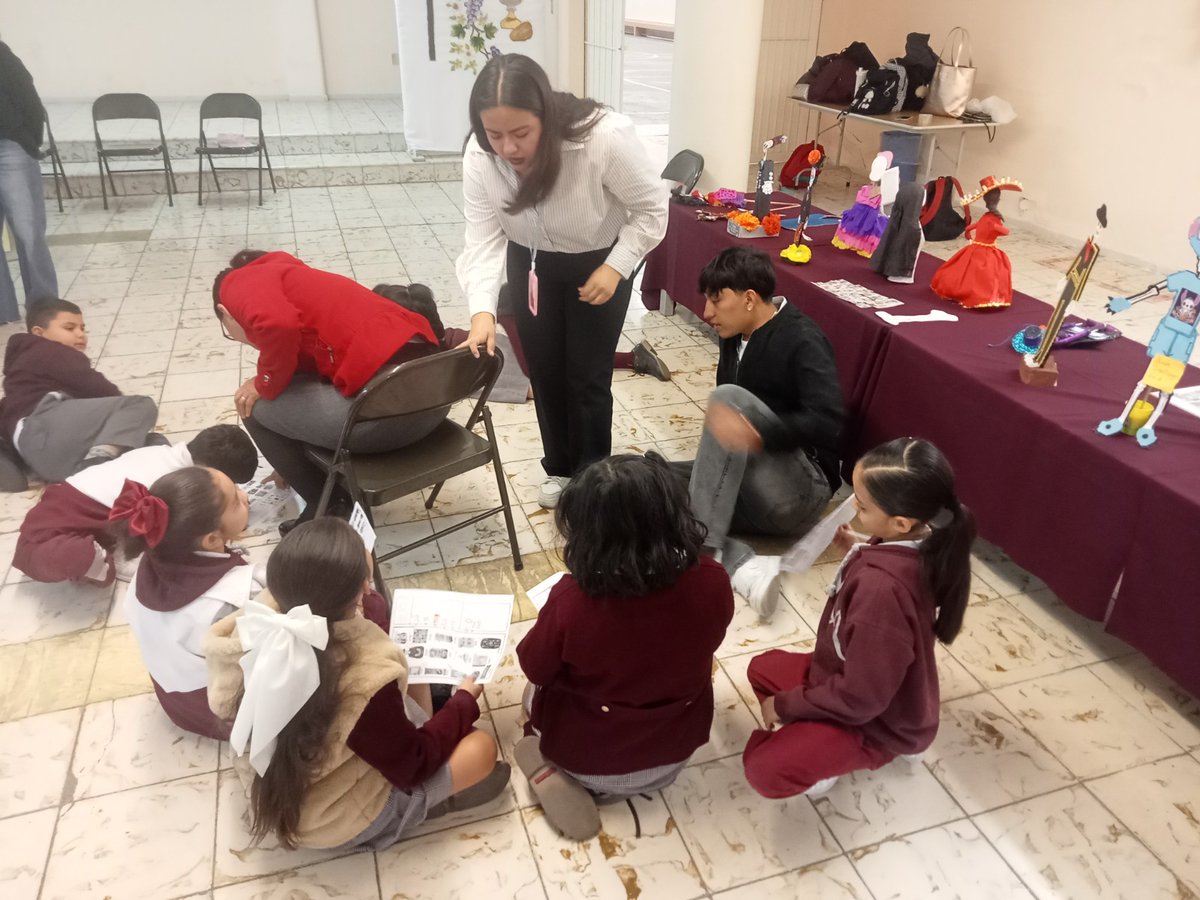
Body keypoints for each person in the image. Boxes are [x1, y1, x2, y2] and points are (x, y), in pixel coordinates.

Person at [206, 518, 510, 851]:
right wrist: (463, 702)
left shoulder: (260, 619)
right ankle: (412, 812)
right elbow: (413, 764)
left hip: (276, 786)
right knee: (481, 749)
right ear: (363, 591)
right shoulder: (362, 679)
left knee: (420, 702)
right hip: (334, 817)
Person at [456, 53, 669, 509]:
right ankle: (558, 468)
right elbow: (482, 238)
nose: (508, 149)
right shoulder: (480, 155)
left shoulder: (603, 138)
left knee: (587, 377)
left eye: (520, 134)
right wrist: (481, 312)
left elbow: (652, 210)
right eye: (495, 135)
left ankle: (595, 480)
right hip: (530, 262)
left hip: (599, 262)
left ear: (544, 116)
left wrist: (617, 266)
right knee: (546, 372)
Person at [741, 438, 975, 799]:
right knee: (763, 667)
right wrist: (858, 548)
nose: (853, 513)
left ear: (900, 522)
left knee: (765, 769)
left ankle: (859, 755)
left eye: (862, 507)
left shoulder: (881, 592)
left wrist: (785, 705)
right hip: (857, 678)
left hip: (875, 721)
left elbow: (861, 699)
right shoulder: (922, 541)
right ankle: (819, 739)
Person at [514, 454, 733, 840]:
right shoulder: (713, 579)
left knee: (532, 696)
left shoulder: (572, 601)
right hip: (677, 752)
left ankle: (556, 774)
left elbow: (535, 666)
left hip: (590, 760)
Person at [663, 246, 844, 619]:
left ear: (748, 298)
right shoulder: (734, 334)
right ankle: (740, 564)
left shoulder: (801, 338)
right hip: (752, 484)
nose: (706, 313)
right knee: (650, 477)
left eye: (716, 300)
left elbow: (829, 421)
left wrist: (758, 433)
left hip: (799, 489)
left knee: (727, 397)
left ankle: (705, 555)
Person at [212, 250, 445, 529]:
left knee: (252, 404)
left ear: (224, 313)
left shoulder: (237, 283)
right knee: (292, 389)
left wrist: (264, 381)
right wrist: (286, 458)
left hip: (387, 427)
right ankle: (319, 481)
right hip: (436, 410)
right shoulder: (295, 277)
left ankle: (329, 505)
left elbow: (277, 324)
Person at [114, 467, 258, 740]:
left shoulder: (147, 568)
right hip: (224, 712)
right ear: (212, 539)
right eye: (236, 501)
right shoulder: (234, 598)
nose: (245, 495)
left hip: (179, 706)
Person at [13, 424, 257, 584]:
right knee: (80, 558)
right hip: (56, 525)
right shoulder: (164, 487)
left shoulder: (161, 452)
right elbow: (174, 539)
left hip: (61, 496)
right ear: (210, 471)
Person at [0, 298, 158, 484]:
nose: (80, 334)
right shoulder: (49, 351)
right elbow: (105, 391)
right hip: (42, 427)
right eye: (69, 328)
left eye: (82, 328)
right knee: (139, 406)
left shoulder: (24, 363)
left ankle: (98, 463)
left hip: (45, 458)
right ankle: (97, 461)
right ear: (38, 333)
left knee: (146, 439)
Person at [0, 39, 57, 324]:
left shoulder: (1, 54)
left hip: (10, 148)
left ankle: (43, 308)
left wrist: (28, 141)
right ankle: (2, 310)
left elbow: (28, 98)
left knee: (29, 232)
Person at [931, 176, 1023, 310]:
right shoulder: (993, 219)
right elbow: (1002, 231)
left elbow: (974, 226)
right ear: (997, 200)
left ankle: (963, 289)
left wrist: (968, 230)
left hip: (976, 247)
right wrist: (1004, 229)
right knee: (985, 275)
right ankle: (979, 295)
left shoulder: (987, 216)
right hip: (987, 250)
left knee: (966, 270)